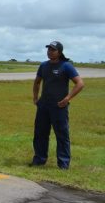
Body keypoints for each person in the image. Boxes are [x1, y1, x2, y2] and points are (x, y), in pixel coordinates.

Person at [31, 41, 84, 170]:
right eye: (48, 49)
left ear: (59, 52)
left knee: (62, 135)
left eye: (52, 50)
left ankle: (63, 164)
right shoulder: (43, 66)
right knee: (40, 134)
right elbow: (37, 82)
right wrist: (36, 98)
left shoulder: (66, 66)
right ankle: (39, 160)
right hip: (44, 106)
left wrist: (67, 98)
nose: (49, 52)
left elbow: (80, 84)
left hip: (59, 107)